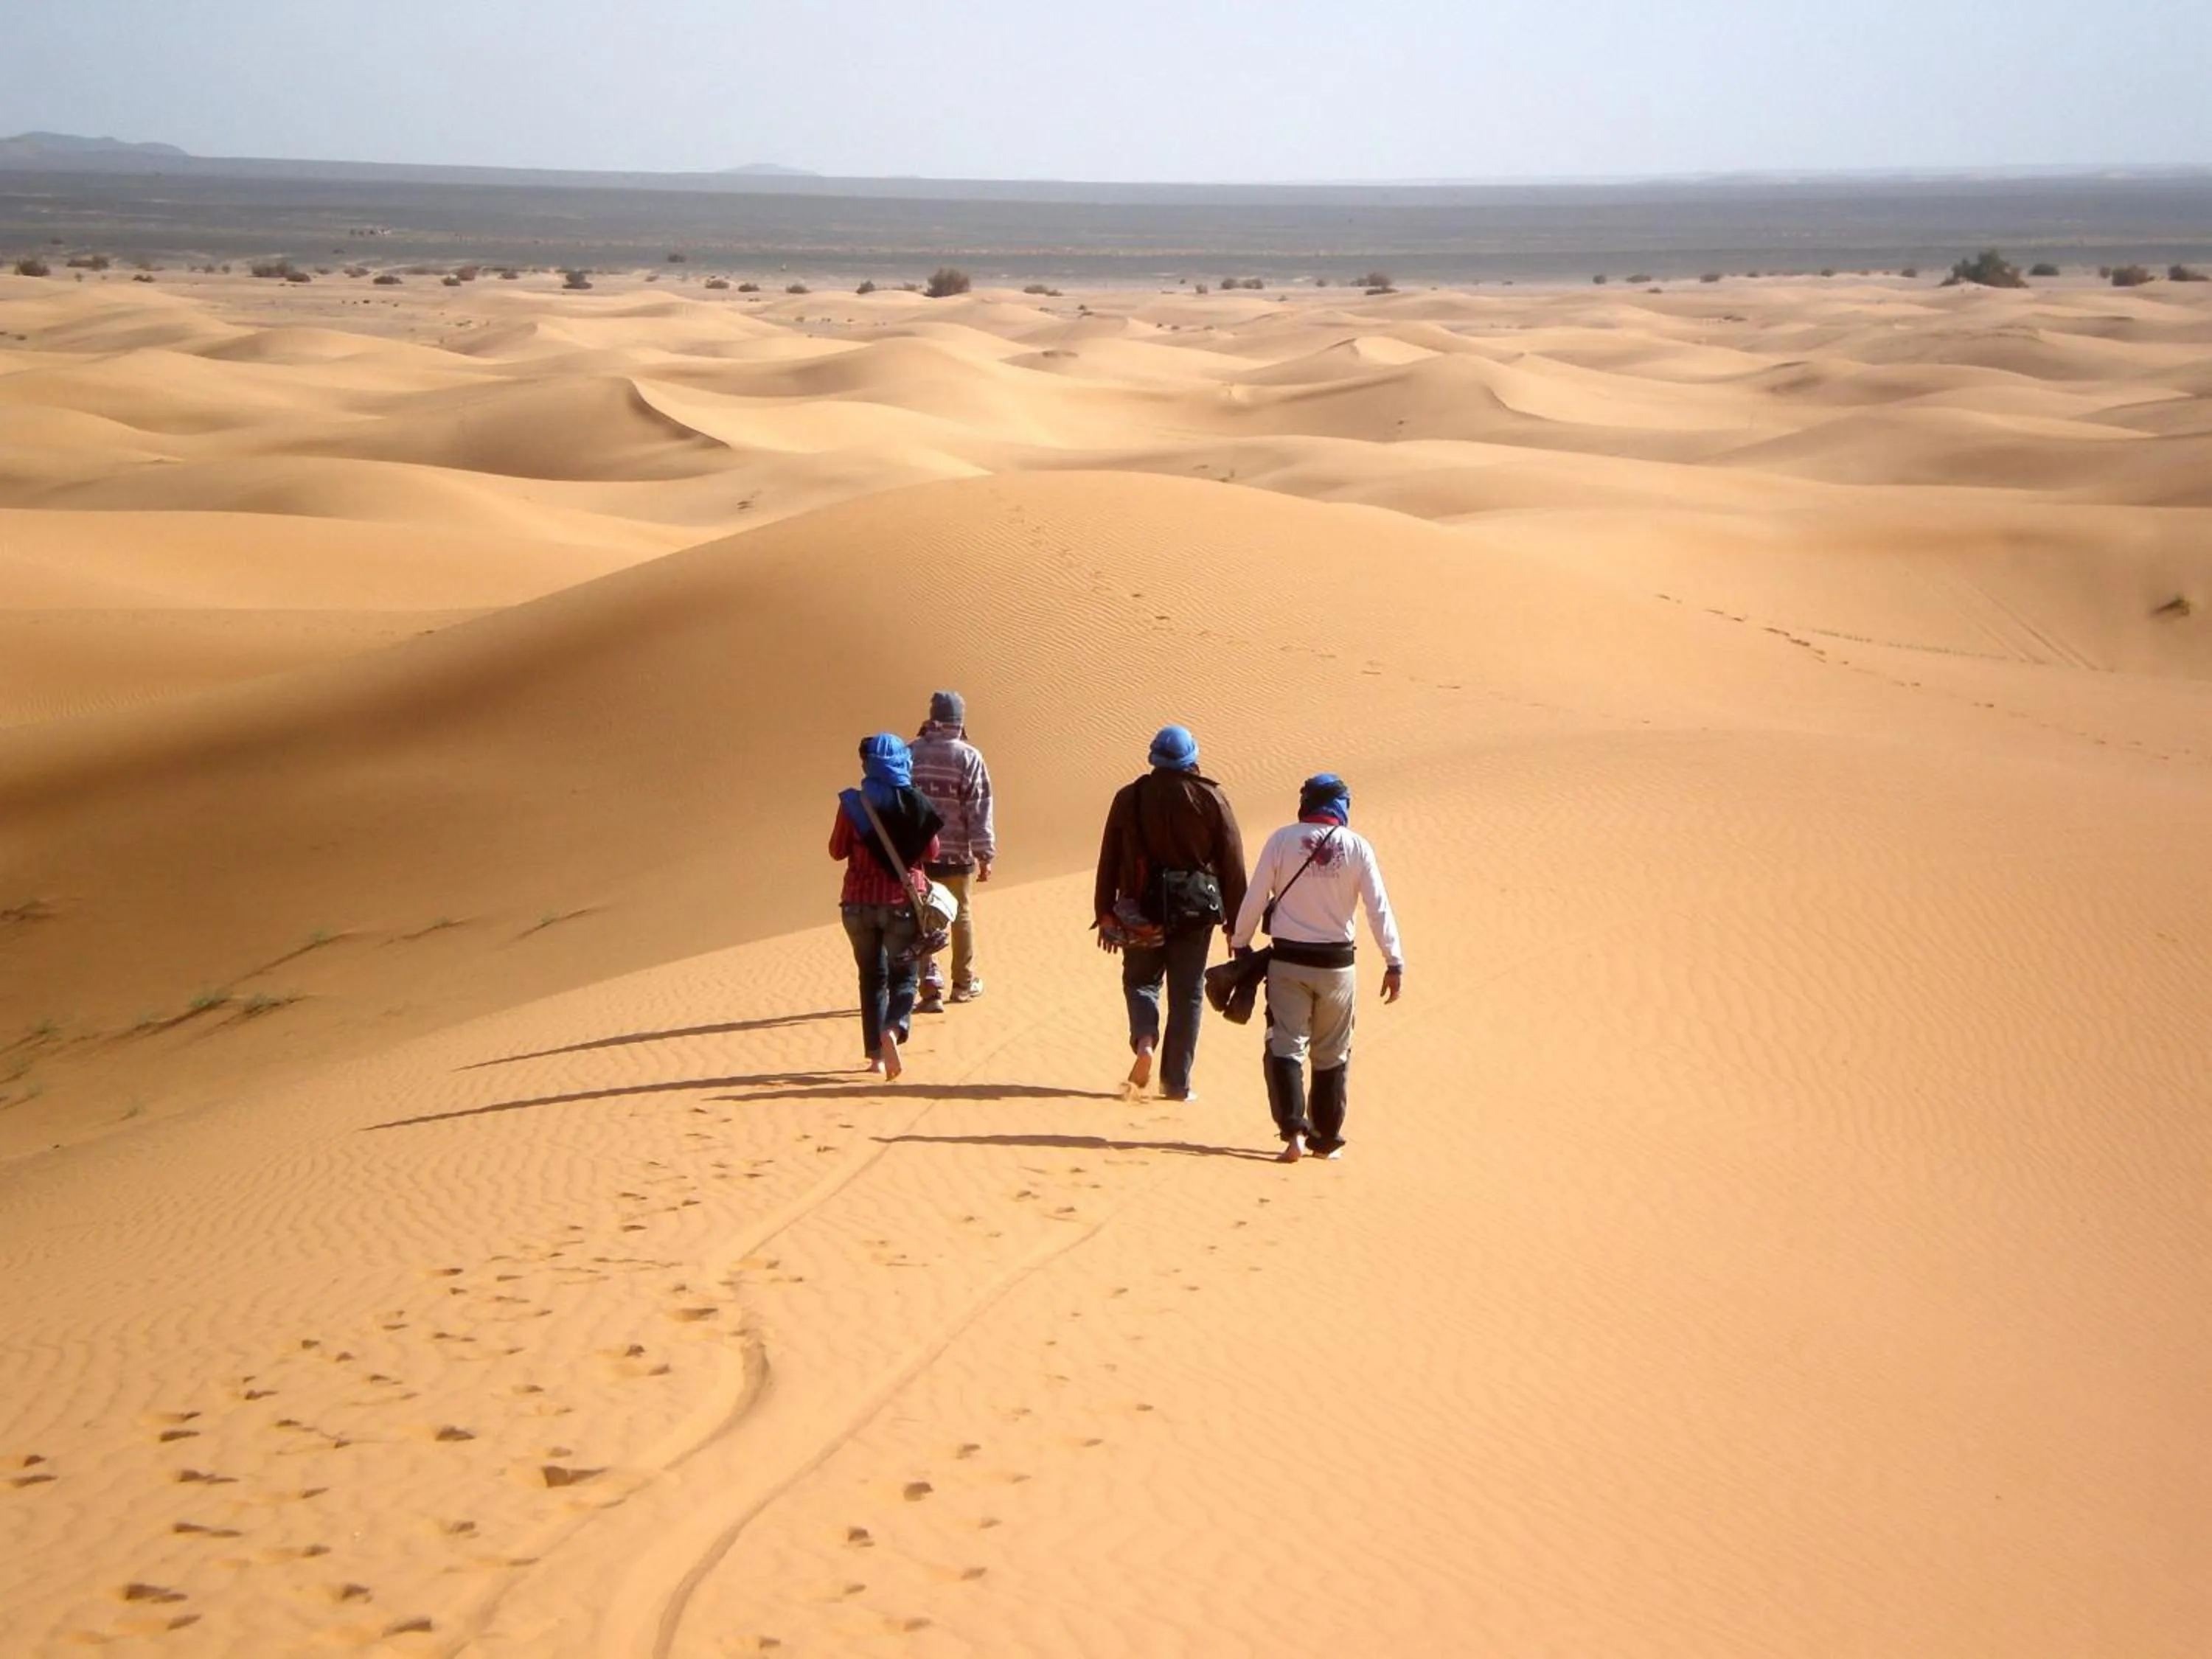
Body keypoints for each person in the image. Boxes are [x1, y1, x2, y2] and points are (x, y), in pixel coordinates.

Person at [1228, 773, 1404, 1162]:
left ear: (1306, 802)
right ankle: (1325, 1140)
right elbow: (1378, 909)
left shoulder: (1281, 840)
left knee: (1285, 1046)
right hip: (1338, 967)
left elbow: (1256, 896)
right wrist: (1394, 961)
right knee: (1332, 1053)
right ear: (1341, 805)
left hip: (1288, 962)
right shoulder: (1358, 847)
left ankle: (1293, 1134)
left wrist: (1240, 942)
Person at [1093, 724, 1246, 1101]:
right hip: (1194, 910)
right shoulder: (1212, 797)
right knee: (1187, 994)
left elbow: (1109, 856)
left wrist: (1105, 911)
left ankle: (1145, 1040)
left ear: (1154, 758)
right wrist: (1237, 924)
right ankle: (1177, 1083)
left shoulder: (1129, 797)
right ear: (1192, 757)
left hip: (1140, 907)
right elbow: (1232, 861)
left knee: (1141, 981)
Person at [831, 733, 942, 1080]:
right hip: (901, 904)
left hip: (858, 904)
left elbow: (836, 850)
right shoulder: (915, 803)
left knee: (871, 977)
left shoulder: (854, 804)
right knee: (904, 977)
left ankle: (876, 1057)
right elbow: (933, 852)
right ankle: (893, 1030)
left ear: (869, 764)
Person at [910, 690, 996, 1013]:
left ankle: (930, 988)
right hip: (958, 854)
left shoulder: (911, 753)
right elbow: (980, 809)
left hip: (918, 855)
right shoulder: (969, 757)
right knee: (960, 915)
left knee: (923, 918)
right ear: (959, 720)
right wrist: (985, 854)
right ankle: (963, 982)